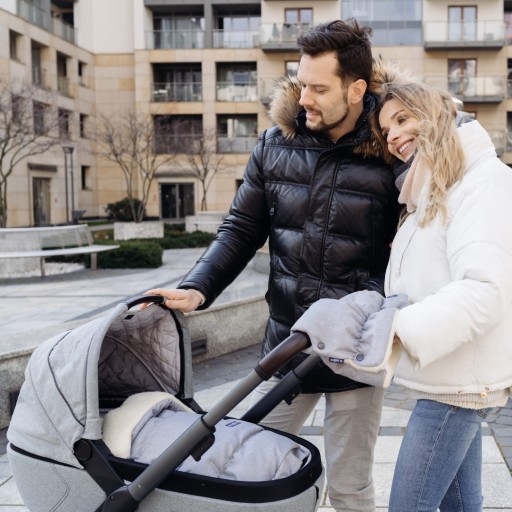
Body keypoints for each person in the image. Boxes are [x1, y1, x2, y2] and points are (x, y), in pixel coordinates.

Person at [144, 19, 398, 511]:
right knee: (249, 470)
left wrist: (362, 307)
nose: (305, 98)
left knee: (350, 489)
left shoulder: (391, 152)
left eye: (319, 88)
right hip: (287, 345)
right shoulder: (274, 144)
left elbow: (405, 253)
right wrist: (198, 287)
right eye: (302, 84)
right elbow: (241, 229)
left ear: (356, 90)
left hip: (356, 349)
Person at [372, 80, 512, 510]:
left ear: (435, 115)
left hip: (458, 385)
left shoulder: (482, 183)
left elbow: (484, 289)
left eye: (402, 119)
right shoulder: (436, 190)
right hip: (450, 378)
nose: (393, 136)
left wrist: (397, 328)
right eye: (386, 130)